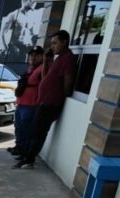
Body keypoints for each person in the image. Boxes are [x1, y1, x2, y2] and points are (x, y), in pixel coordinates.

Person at [15, 30, 75, 170]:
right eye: (51, 44)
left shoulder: (68, 59)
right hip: (43, 102)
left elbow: (67, 83)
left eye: (55, 43)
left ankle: (29, 159)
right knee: (33, 131)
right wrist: (47, 60)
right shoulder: (58, 58)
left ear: (64, 42)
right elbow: (45, 76)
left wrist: (60, 91)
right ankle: (26, 156)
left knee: (38, 132)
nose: (52, 46)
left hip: (51, 103)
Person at [10, 47, 44, 156]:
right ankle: (19, 146)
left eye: (36, 55)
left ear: (42, 56)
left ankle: (25, 149)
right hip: (21, 103)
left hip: (31, 105)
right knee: (18, 127)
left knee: (26, 129)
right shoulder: (30, 68)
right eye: (31, 55)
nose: (33, 58)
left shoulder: (42, 69)